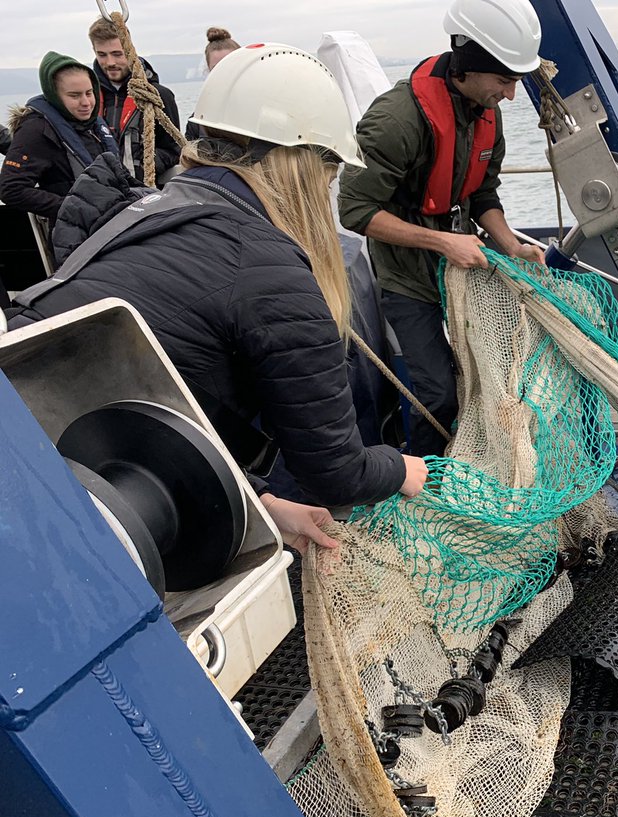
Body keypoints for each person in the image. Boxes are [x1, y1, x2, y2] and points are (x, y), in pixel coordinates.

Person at [10, 44, 428, 549]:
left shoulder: (141, 212)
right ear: (304, 168)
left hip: (29, 443)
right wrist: (403, 468)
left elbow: (134, 395)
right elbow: (335, 472)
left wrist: (263, 502)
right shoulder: (273, 271)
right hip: (64, 500)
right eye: (330, 173)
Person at [339, 0, 546, 458]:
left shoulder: (485, 110)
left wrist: (511, 245)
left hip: (466, 270)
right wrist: (440, 241)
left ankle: (482, 466)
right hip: (407, 279)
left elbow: (484, 194)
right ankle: (428, 490)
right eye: (505, 80)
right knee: (438, 394)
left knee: (499, 385)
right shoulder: (395, 121)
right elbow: (354, 210)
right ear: (469, 66)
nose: (511, 95)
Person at [1, 52, 121, 227]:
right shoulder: (36, 130)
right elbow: (11, 189)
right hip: (75, 233)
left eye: (89, 93)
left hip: (114, 220)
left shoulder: (94, 125)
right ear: (54, 95)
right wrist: (73, 209)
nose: (86, 102)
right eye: (74, 95)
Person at [88, 15, 181, 184]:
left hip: (143, 189)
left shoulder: (159, 96)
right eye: (102, 55)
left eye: (117, 54)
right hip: (100, 188)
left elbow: (174, 151)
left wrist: (143, 163)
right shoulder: (88, 97)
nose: (110, 62)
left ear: (130, 50)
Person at [184, 28, 240, 142]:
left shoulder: (266, 110)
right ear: (208, 71)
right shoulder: (198, 121)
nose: (225, 73)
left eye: (231, 65)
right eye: (217, 68)